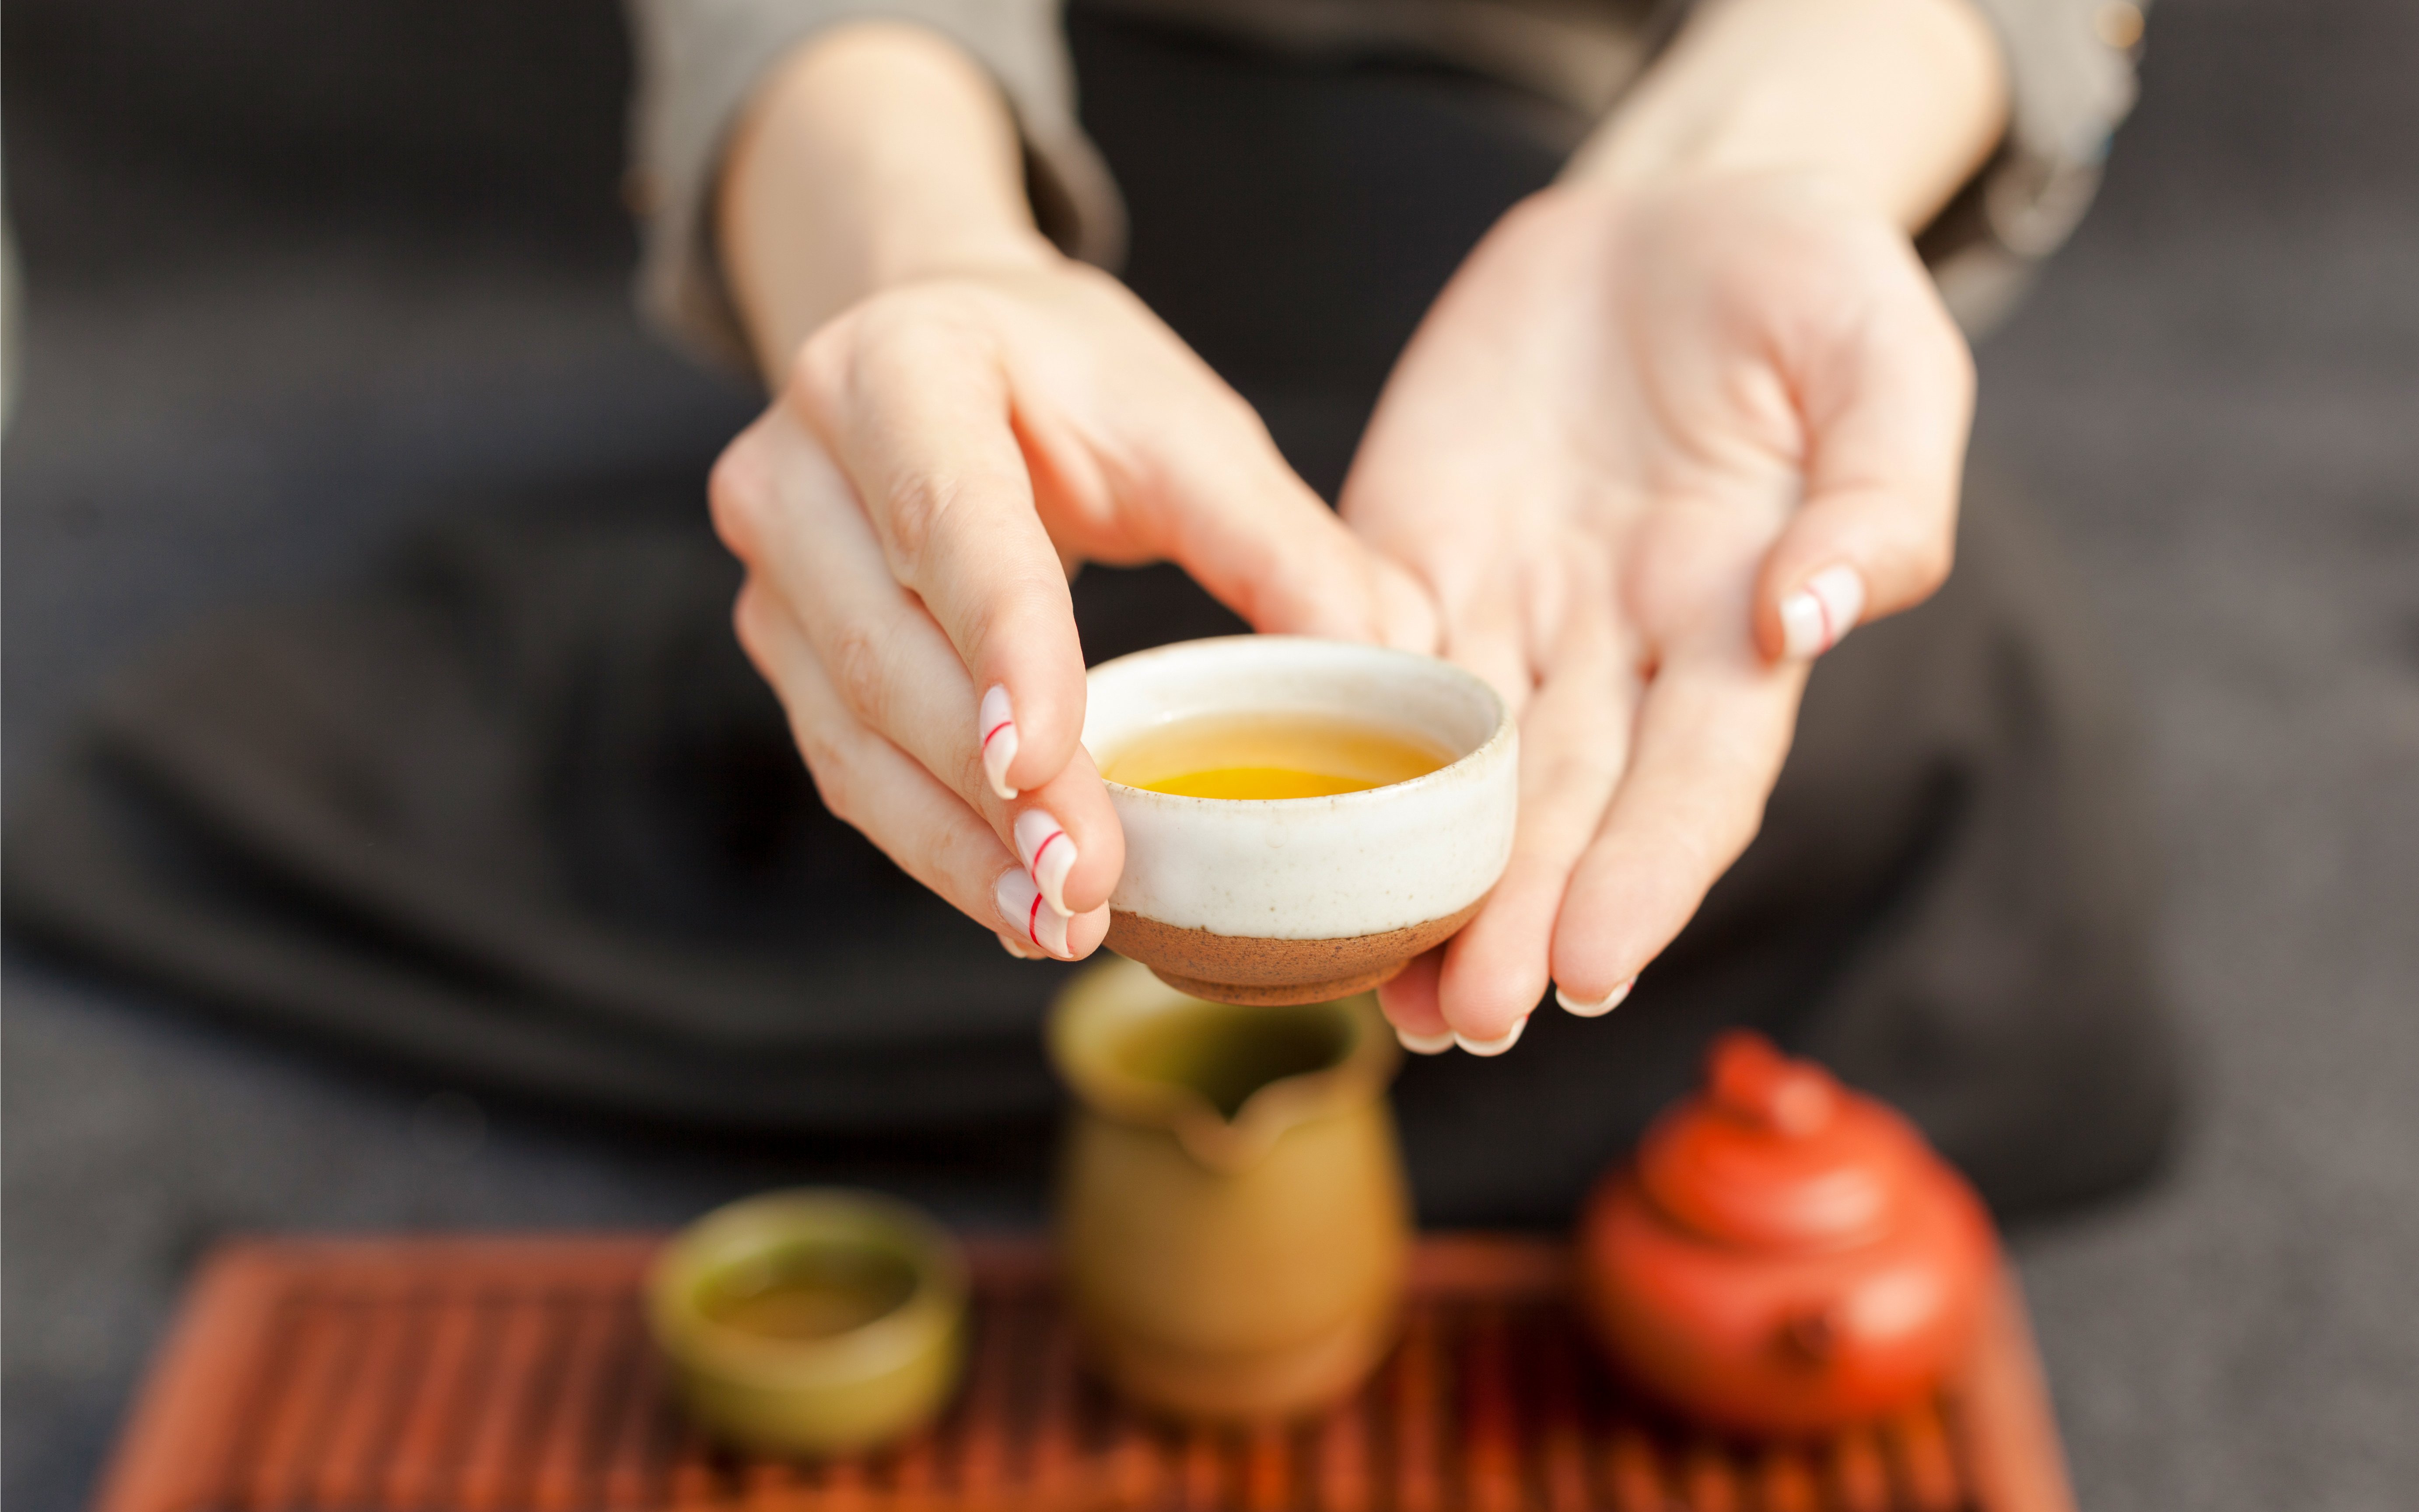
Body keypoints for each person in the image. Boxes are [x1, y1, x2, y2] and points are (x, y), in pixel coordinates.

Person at [630, 0, 2172, 1199]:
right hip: (1015, 167)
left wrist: (1763, 157)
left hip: (1598, 217)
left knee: (1927, 698)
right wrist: (904, 261)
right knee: (874, 655)